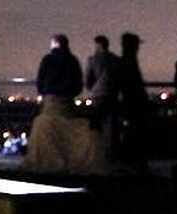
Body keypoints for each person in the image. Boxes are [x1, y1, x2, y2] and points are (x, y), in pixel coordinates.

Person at [25, 34, 104, 175]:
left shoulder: (47, 59)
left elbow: (40, 83)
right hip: (67, 104)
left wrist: (46, 92)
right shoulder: (73, 60)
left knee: (44, 125)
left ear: (55, 44)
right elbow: (79, 85)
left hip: (51, 103)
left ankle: (49, 160)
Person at [117, 32, 149, 171]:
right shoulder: (129, 60)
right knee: (135, 132)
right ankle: (133, 162)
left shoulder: (126, 59)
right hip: (134, 103)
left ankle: (130, 161)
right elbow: (133, 84)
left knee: (132, 132)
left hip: (130, 103)